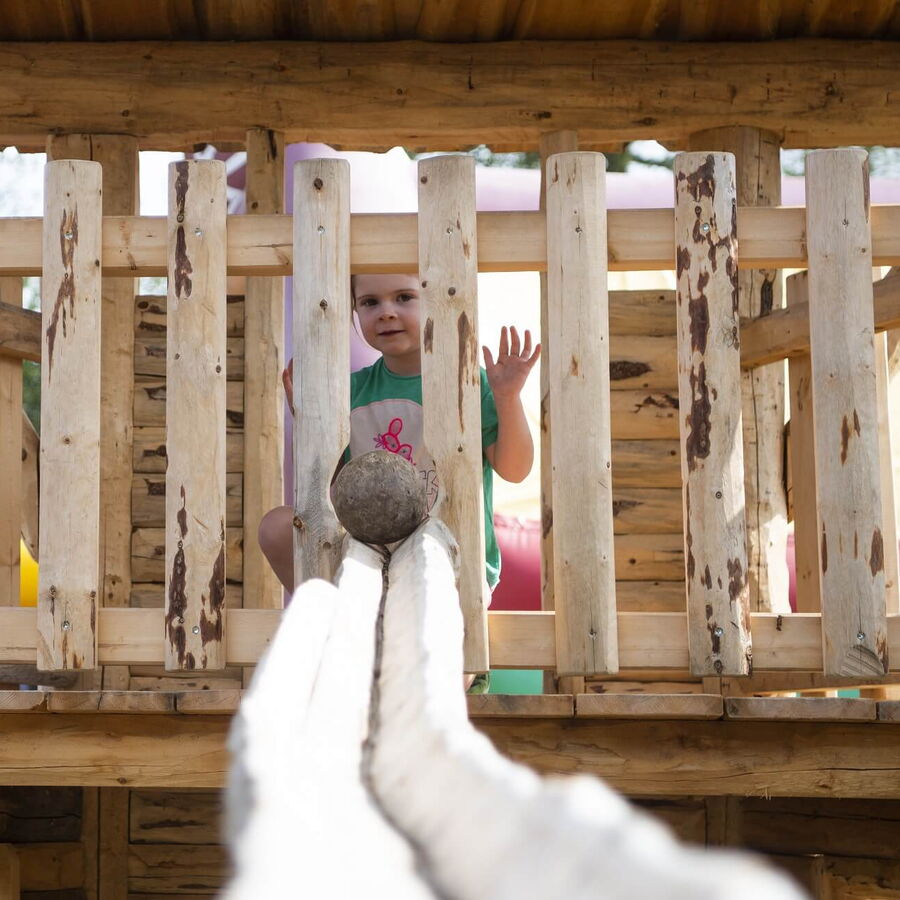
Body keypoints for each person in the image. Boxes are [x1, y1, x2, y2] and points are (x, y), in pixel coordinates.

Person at [258, 273, 539, 689]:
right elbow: (335, 495)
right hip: (367, 557)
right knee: (277, 526)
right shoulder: (350, 391)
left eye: (404, 297)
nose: (386, 311)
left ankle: (448, 682)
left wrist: (507, 398)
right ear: (355, 312)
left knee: (432, 664)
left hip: (447, 559)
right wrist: (311, 423)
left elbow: (515, 469)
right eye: (370, 302)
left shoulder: (470, 384)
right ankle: (334, 637)